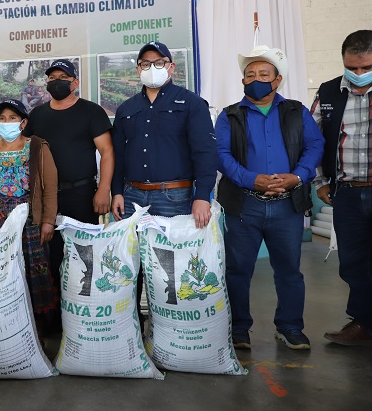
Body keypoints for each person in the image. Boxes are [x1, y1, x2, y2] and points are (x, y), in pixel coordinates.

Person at [216, 44, 324, 350]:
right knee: (238, 270)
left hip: (287, 205)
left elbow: (315, 146)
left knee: (289, 270)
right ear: (242, 82)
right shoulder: (229, 116)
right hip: (243, 205)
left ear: (277, 80)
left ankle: (290, 326)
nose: (255, 79)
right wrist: (252, 179)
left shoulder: (296, 111)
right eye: (249, 74)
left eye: (264, 74)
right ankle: (239, 329)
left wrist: (298, 176)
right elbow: (221, 155)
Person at [111, 41, 217, 329]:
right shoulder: (126, 109)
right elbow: (118, 155)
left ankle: (171, 330)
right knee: (130, 267)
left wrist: (202, 196)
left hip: (176, 197)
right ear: (138, 69)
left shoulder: (191, 103)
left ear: (171, 67)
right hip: (132, 198)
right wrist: (116, 192)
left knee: (171, 266)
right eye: (146, 63)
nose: (152, 68)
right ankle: (131, 328)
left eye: (160, 62)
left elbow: (205, 153)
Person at [23, 58, 113, 329]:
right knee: (46, 258)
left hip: (82, 194)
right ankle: (51, 319)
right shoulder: (38, 115)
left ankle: (82, 316)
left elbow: (107, 152)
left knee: (83, 258)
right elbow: (24, 150)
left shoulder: (91, 112)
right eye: (51, 78)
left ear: (75, 82)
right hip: (45, 199)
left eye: (62, 77)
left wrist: (103, 190)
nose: (56, 81)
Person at [0, 99, 58, 333]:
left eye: (13, 118)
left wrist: (48, 220)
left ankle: (36, 329)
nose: (6, 122)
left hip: (28, 221)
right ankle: (3, 325)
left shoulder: (37, 146)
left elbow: (49, 186)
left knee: (30, 269)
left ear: (23, 122)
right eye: (2, 119)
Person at [312, 30, 372, 346]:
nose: (359, 74)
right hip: (347, 193)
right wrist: (320, 182)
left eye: (365, 67)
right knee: (353, 262)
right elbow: (312, 140)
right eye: (353, 67)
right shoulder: (328, 92)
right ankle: (362, 324)